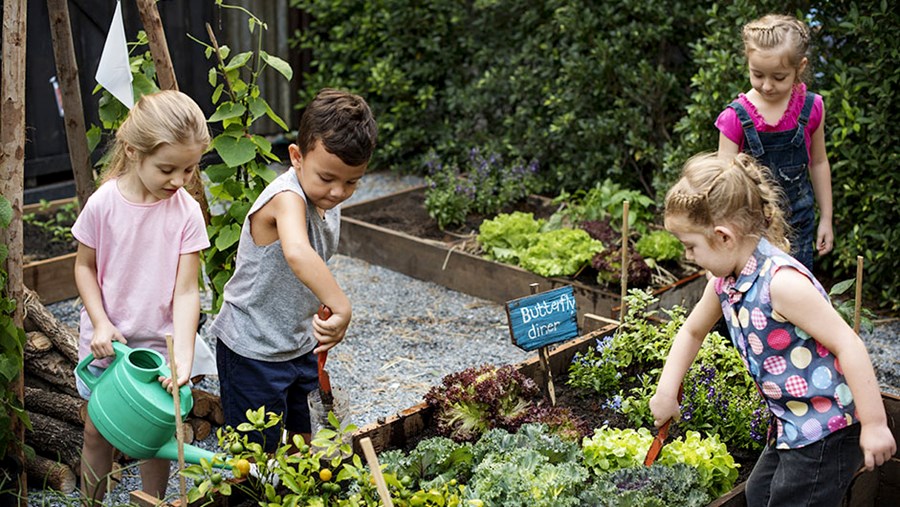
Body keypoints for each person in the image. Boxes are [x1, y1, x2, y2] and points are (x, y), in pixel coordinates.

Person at [649, 152, 895, 506]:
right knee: (759, 493)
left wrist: (874, 424)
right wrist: (667, 390)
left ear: (723, 236)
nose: (689, 257)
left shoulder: (781, 284)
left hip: (827, 426)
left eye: (691, 247)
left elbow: (849, 344)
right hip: (790, 422)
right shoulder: (724, 281)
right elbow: (692, 331)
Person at [210, 88, 377, 451]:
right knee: (257, 455)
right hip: (252, 348)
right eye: (328, 178)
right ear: (297, 157)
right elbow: (299, 254)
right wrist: (342, 306)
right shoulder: (286, 198)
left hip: (298, 343)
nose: (337, 192)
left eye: (351, 182)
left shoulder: (325, 198)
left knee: (306, 437)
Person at [72, 90, 211, 502]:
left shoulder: (186, 212)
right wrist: (100, 321)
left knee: (155, 435)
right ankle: (89, 502)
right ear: (133, 152)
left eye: (189, 170)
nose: (179, 181)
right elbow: (84, 267)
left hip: (157, 345)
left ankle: (151, 500)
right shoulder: (103, 204)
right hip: (108, 345)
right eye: (168, 169)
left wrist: (182, 356)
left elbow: (186, 291)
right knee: (97, 431)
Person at [716, 14, 832, 272]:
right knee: (753, 298)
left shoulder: (812, 108)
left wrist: (826, 218)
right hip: (750, 229)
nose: (766, 86)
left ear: (799, 67)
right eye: (757, 75)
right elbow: (724, 183)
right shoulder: (735, 117)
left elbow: (819, 162)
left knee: (794, 294)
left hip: (798, 226)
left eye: (778, 77)